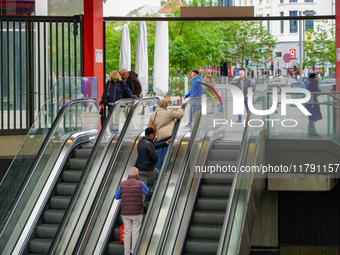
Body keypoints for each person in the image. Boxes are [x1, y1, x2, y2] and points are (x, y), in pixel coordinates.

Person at [114, 167, 149, 255]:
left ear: (129, 174)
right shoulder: (140, 183)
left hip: (125, 213)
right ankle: (134, 252)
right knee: (135, 232)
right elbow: (147, 192)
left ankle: (126, 253)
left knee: (127, 232)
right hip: (137, 212)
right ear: (137, 175)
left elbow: (116, 196)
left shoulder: (122, 184)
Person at [148, 99, 184, 170]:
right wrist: (181, 109)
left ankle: (159, 171)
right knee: (165, 154)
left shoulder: (154, 114)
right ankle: (164, 170)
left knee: (159, 154)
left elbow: (149, 126)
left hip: (157, 138)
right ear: (166, 105)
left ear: (160, 105)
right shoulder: (169, 113)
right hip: (167, 137)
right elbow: (180, 115)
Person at [137, 127, 172, 192]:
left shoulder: (141, 142)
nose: (154, 136)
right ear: (150, 135)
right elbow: (154, 156)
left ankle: (142, 200)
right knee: (160, 177)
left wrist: (165, 143)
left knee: (143, 187)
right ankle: (154, 191)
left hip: (141, 169)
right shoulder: (149, 144)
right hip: (148, 169)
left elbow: (153, 146)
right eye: (153, 135)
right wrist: (153, 164)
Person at [305, 73, 322, 138]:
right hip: (311, 103)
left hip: (311, 102)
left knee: (312, 117)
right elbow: (318, 91)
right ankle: (312, 132)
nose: (316, 78)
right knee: (312, 118)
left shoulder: (309, 83)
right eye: (315, 77)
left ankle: (311, 131)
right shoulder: (311, 84)